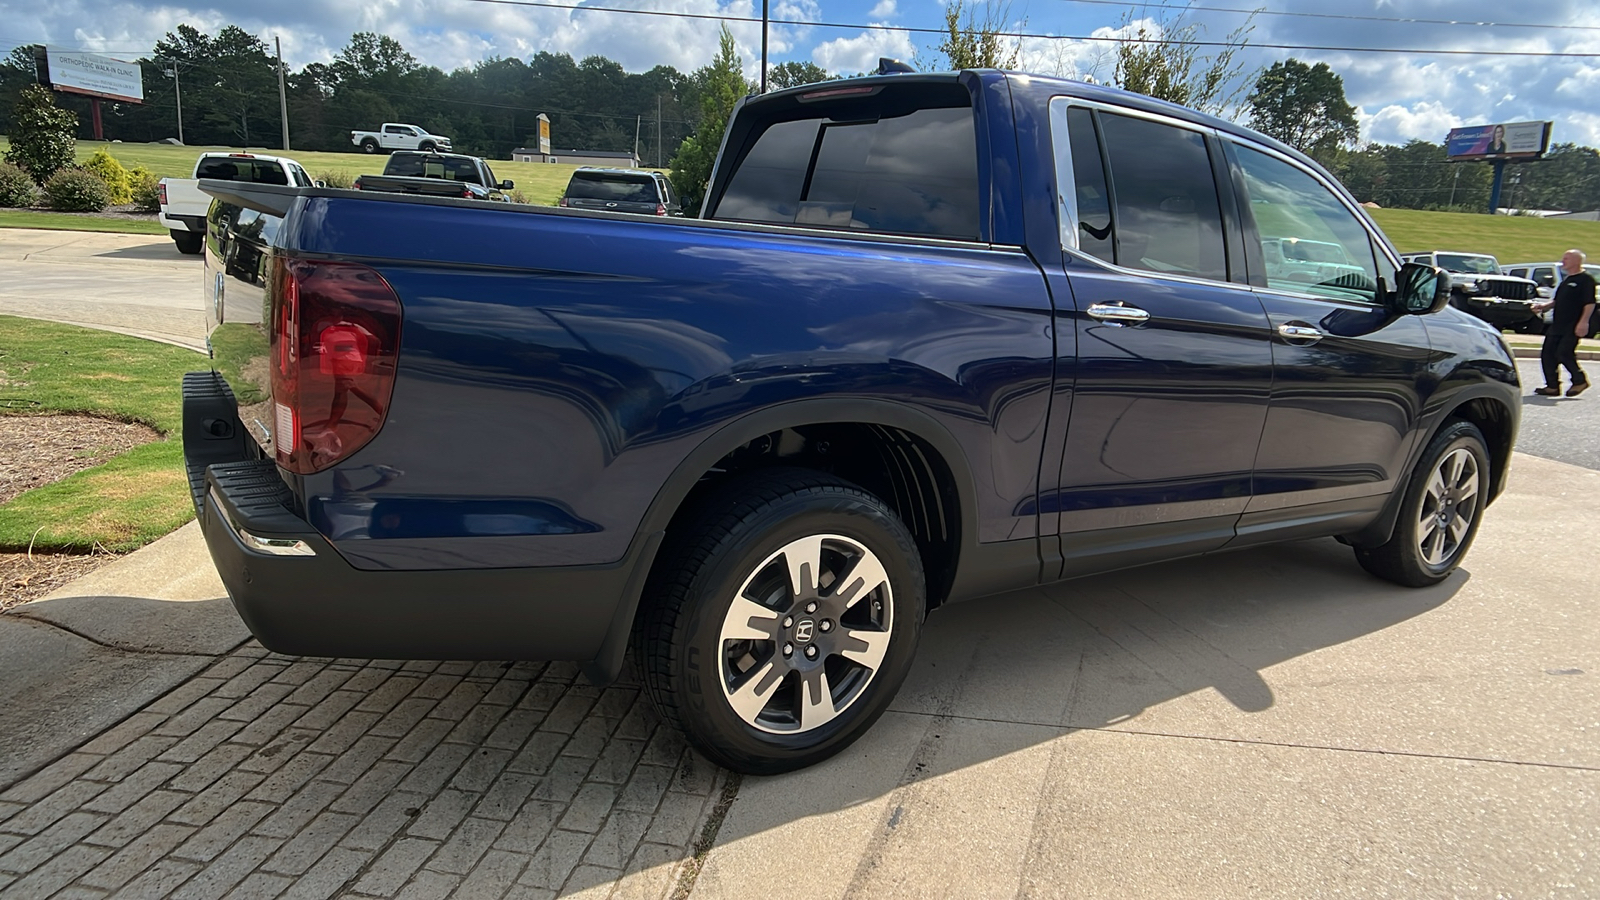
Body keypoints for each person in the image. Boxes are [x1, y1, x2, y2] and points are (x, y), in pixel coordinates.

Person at [1531, 249, 1596, 397]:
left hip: (1573, 324)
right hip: (1558, 324)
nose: (1563, 261)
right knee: (1547, 354)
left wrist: (1583, 322)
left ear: (1576, 261)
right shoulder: (1567, 280)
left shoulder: (1585, 280)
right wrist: (1544, 306)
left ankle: (1579, 380)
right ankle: (1552, 386)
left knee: (1564, 353)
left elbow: (1589, 303)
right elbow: (1558, 301)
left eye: (1567, 258)